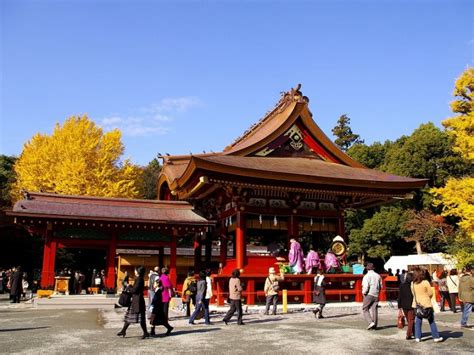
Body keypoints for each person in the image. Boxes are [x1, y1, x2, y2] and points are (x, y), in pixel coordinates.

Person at [411, 267, 443, 343]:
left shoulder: (412, 283)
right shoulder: (425, 282)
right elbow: (430, 293)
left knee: (418, 321)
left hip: (417, 304)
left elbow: (413, 293)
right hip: (426, 304)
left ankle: (418, 337)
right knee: (431, 321)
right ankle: (435, 337)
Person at [117, 266, 149, 339]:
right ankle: (123, 331)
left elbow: (135, 290)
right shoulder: (138, 279)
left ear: (138, 271)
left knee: (141, 319)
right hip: (135, 301)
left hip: (138, 301)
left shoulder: (139, 279)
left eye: (135, 270)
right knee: (129, 317)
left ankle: (145, 333)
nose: (134, 271)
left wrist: (128, 286)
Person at [361, 263, 381, 330]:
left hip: (369, 294)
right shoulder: (378, 276)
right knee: (374, 309)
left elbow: (366, 286)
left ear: (367, 268)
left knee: (365, 308)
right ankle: (375, 325)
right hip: (376, 294)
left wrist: (364, 292)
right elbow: (381, 286)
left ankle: (370, 322)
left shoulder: (366, 276)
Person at [398, 272, 415, 340]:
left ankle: (413, 332)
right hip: (411, 305)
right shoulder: (412, 286)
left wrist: (399, 306)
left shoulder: (402, 285)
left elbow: (400, 296)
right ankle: (409, 334)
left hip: (404, 304)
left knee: (409, 320)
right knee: (411, 320)